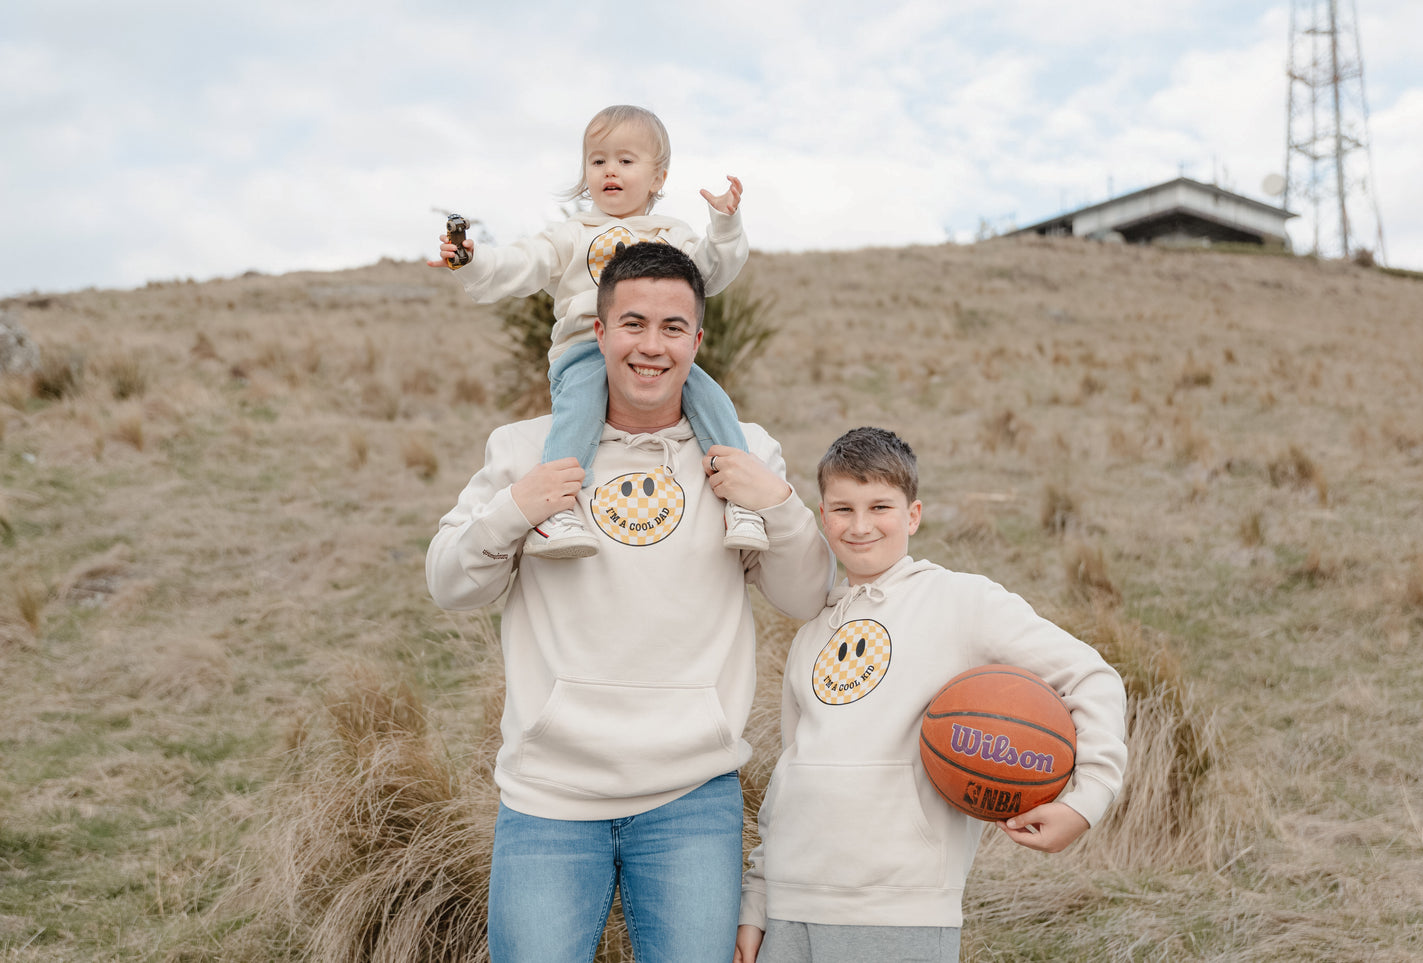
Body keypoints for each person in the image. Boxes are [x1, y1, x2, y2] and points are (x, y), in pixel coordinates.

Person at [426, 242, 835, 963]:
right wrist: (514, 509)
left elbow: (805, 595)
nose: (652, 345)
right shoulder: (525, 450)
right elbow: (450, 585)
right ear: (599, 334)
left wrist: (778, 504)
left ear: (697, 341)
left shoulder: (745, 451)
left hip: (691, 797)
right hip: (549, 795)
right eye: (634, 323)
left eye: (673, 327)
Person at [735, 427, 1128, 963]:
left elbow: (1091, 677)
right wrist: (757, 900)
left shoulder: (961, 602)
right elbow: (790, 774)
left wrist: (1087, 800)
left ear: (913, 514)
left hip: (901, 909)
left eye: (880, 506)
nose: (860, 525)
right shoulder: (813, 631)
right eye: (842, 509)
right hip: (790, 907)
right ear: (822, 517)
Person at [427, 103, 764, 560]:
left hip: (656, 353)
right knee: (578, 410)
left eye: (626, 161)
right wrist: (474, 258)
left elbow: (713, 271)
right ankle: (557, 513)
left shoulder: (672, 233)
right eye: (598, 160)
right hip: (584, 351)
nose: (610, 171)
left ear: (658, 178)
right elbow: (520, 264)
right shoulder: (571, 234)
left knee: (712, 401)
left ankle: (743, 503)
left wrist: (724, 223)